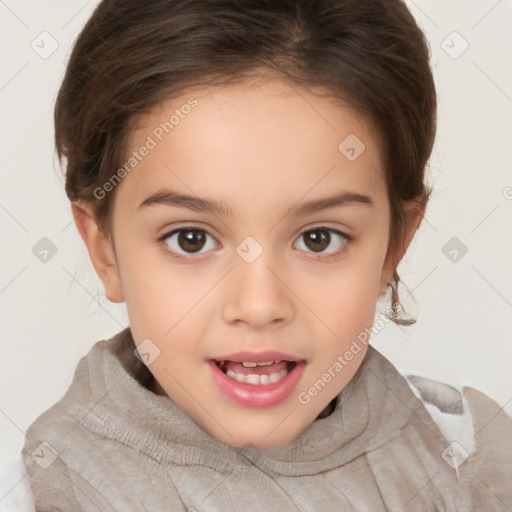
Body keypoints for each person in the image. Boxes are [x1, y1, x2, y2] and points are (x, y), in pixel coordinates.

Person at [20, 0, 512, 510]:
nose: (258, 305)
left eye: (319, 238)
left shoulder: (468, 454)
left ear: (395, 245)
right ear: (105, 251)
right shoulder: (41, 488)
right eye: (191, 239)